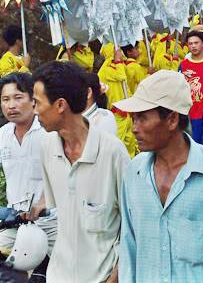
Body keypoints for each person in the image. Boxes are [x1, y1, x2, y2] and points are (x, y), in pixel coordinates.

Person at [114, 70, 203, 283]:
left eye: (142, 118)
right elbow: (129, 251)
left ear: (172, 119)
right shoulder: (134, 174)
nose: (134, 128)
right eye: (133, 119)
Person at [32, 61, 130, 283]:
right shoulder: (47, 147)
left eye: (38, 102)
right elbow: (61, 214)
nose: (35, 110)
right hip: (59, 275)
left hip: (102, 278)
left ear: (60, 105)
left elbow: (133, 226)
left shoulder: (112, 153)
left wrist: (115, 278)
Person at [0, 73, 57, 267]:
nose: (11, 105)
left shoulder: (48, 132)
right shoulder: (3, 135)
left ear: (33, 100)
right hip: (14, 222)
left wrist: (43, 202)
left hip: (52, 224)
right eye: (5, 99)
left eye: (18, 97)